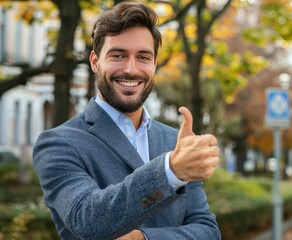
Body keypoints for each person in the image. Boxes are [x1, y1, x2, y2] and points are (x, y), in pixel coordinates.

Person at [32, 1, 221, 239]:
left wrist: (145, 238)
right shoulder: (58, 144)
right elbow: (87, 219)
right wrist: (171, 170)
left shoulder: (175, 141)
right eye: (118, 55)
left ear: (154, 64)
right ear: (94, 61)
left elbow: (207, 231)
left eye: (143, 57)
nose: (131, 69)